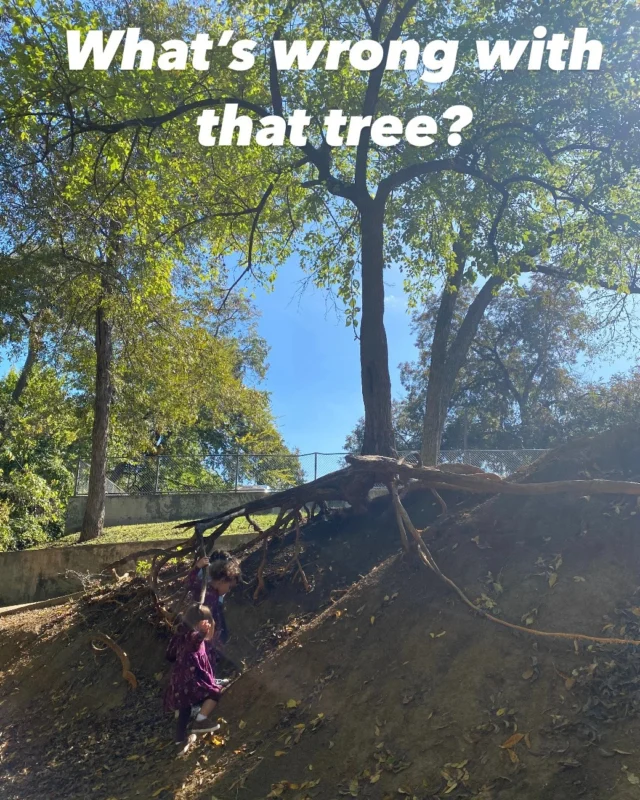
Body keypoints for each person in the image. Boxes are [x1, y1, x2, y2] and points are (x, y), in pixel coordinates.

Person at [164, 603, 223, 744]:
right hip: (192, 682)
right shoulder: (194, 637)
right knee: (215, 693)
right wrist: (201, 633)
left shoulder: (180, 635)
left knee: (185, 708)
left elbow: (170, 655)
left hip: (177, 682)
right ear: (200, 624)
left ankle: (179, 740)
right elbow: (194, 640)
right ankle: (201, 720)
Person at [187, 550, 242, 656]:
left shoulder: (216, 595)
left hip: (210, 636)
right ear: (221, 581)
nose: (228, 590)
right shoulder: (205, 590)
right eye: (229, 587)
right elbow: (190, 583)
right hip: (202, 633)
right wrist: (197, 567)